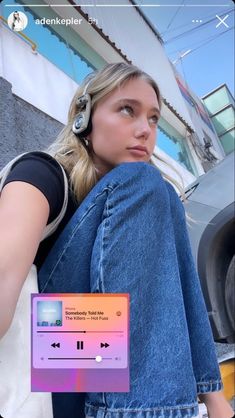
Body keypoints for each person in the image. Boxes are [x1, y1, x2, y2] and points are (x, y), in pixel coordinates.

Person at [0, 63, 234, 418]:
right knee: (142, 183)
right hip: (45, 376)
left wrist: (215, 401)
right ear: (85, 118)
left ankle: (210, 405)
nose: (145, 130)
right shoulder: (41, 173)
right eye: (127, 110)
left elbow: (181, 293)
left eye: (154, 119)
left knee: (161, 194)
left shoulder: (143, 205)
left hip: (97, 375)